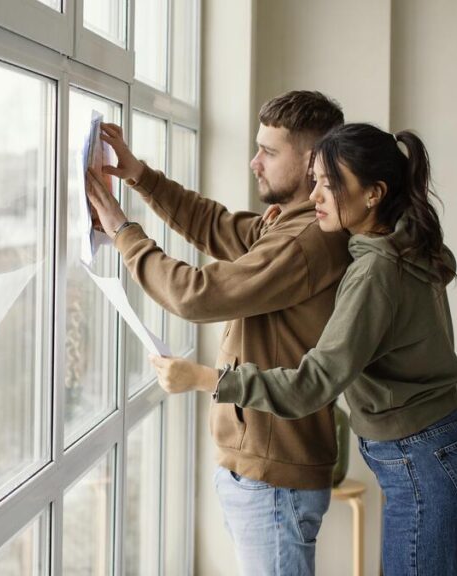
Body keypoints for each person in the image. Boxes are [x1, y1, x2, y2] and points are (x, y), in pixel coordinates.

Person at [149, 123, 457, 575]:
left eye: (330, 184)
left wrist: (205, 378)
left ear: (373, 193)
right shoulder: (403, 238)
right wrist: (144, 178)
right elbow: (232, 233)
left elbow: (311, 385)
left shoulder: (376, 270)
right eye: (315, 179)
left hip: (428, 469)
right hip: (447, 454)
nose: (314, 195)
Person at [85, 91, 348, 575]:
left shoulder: (304, 241)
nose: (255, 162)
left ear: (312, 161)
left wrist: (122, 230)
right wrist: (141, 176)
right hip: (263, 470)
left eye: (269, 151)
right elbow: (217, 226)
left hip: (274, 476)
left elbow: (195, 295)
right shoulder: (287, 222)